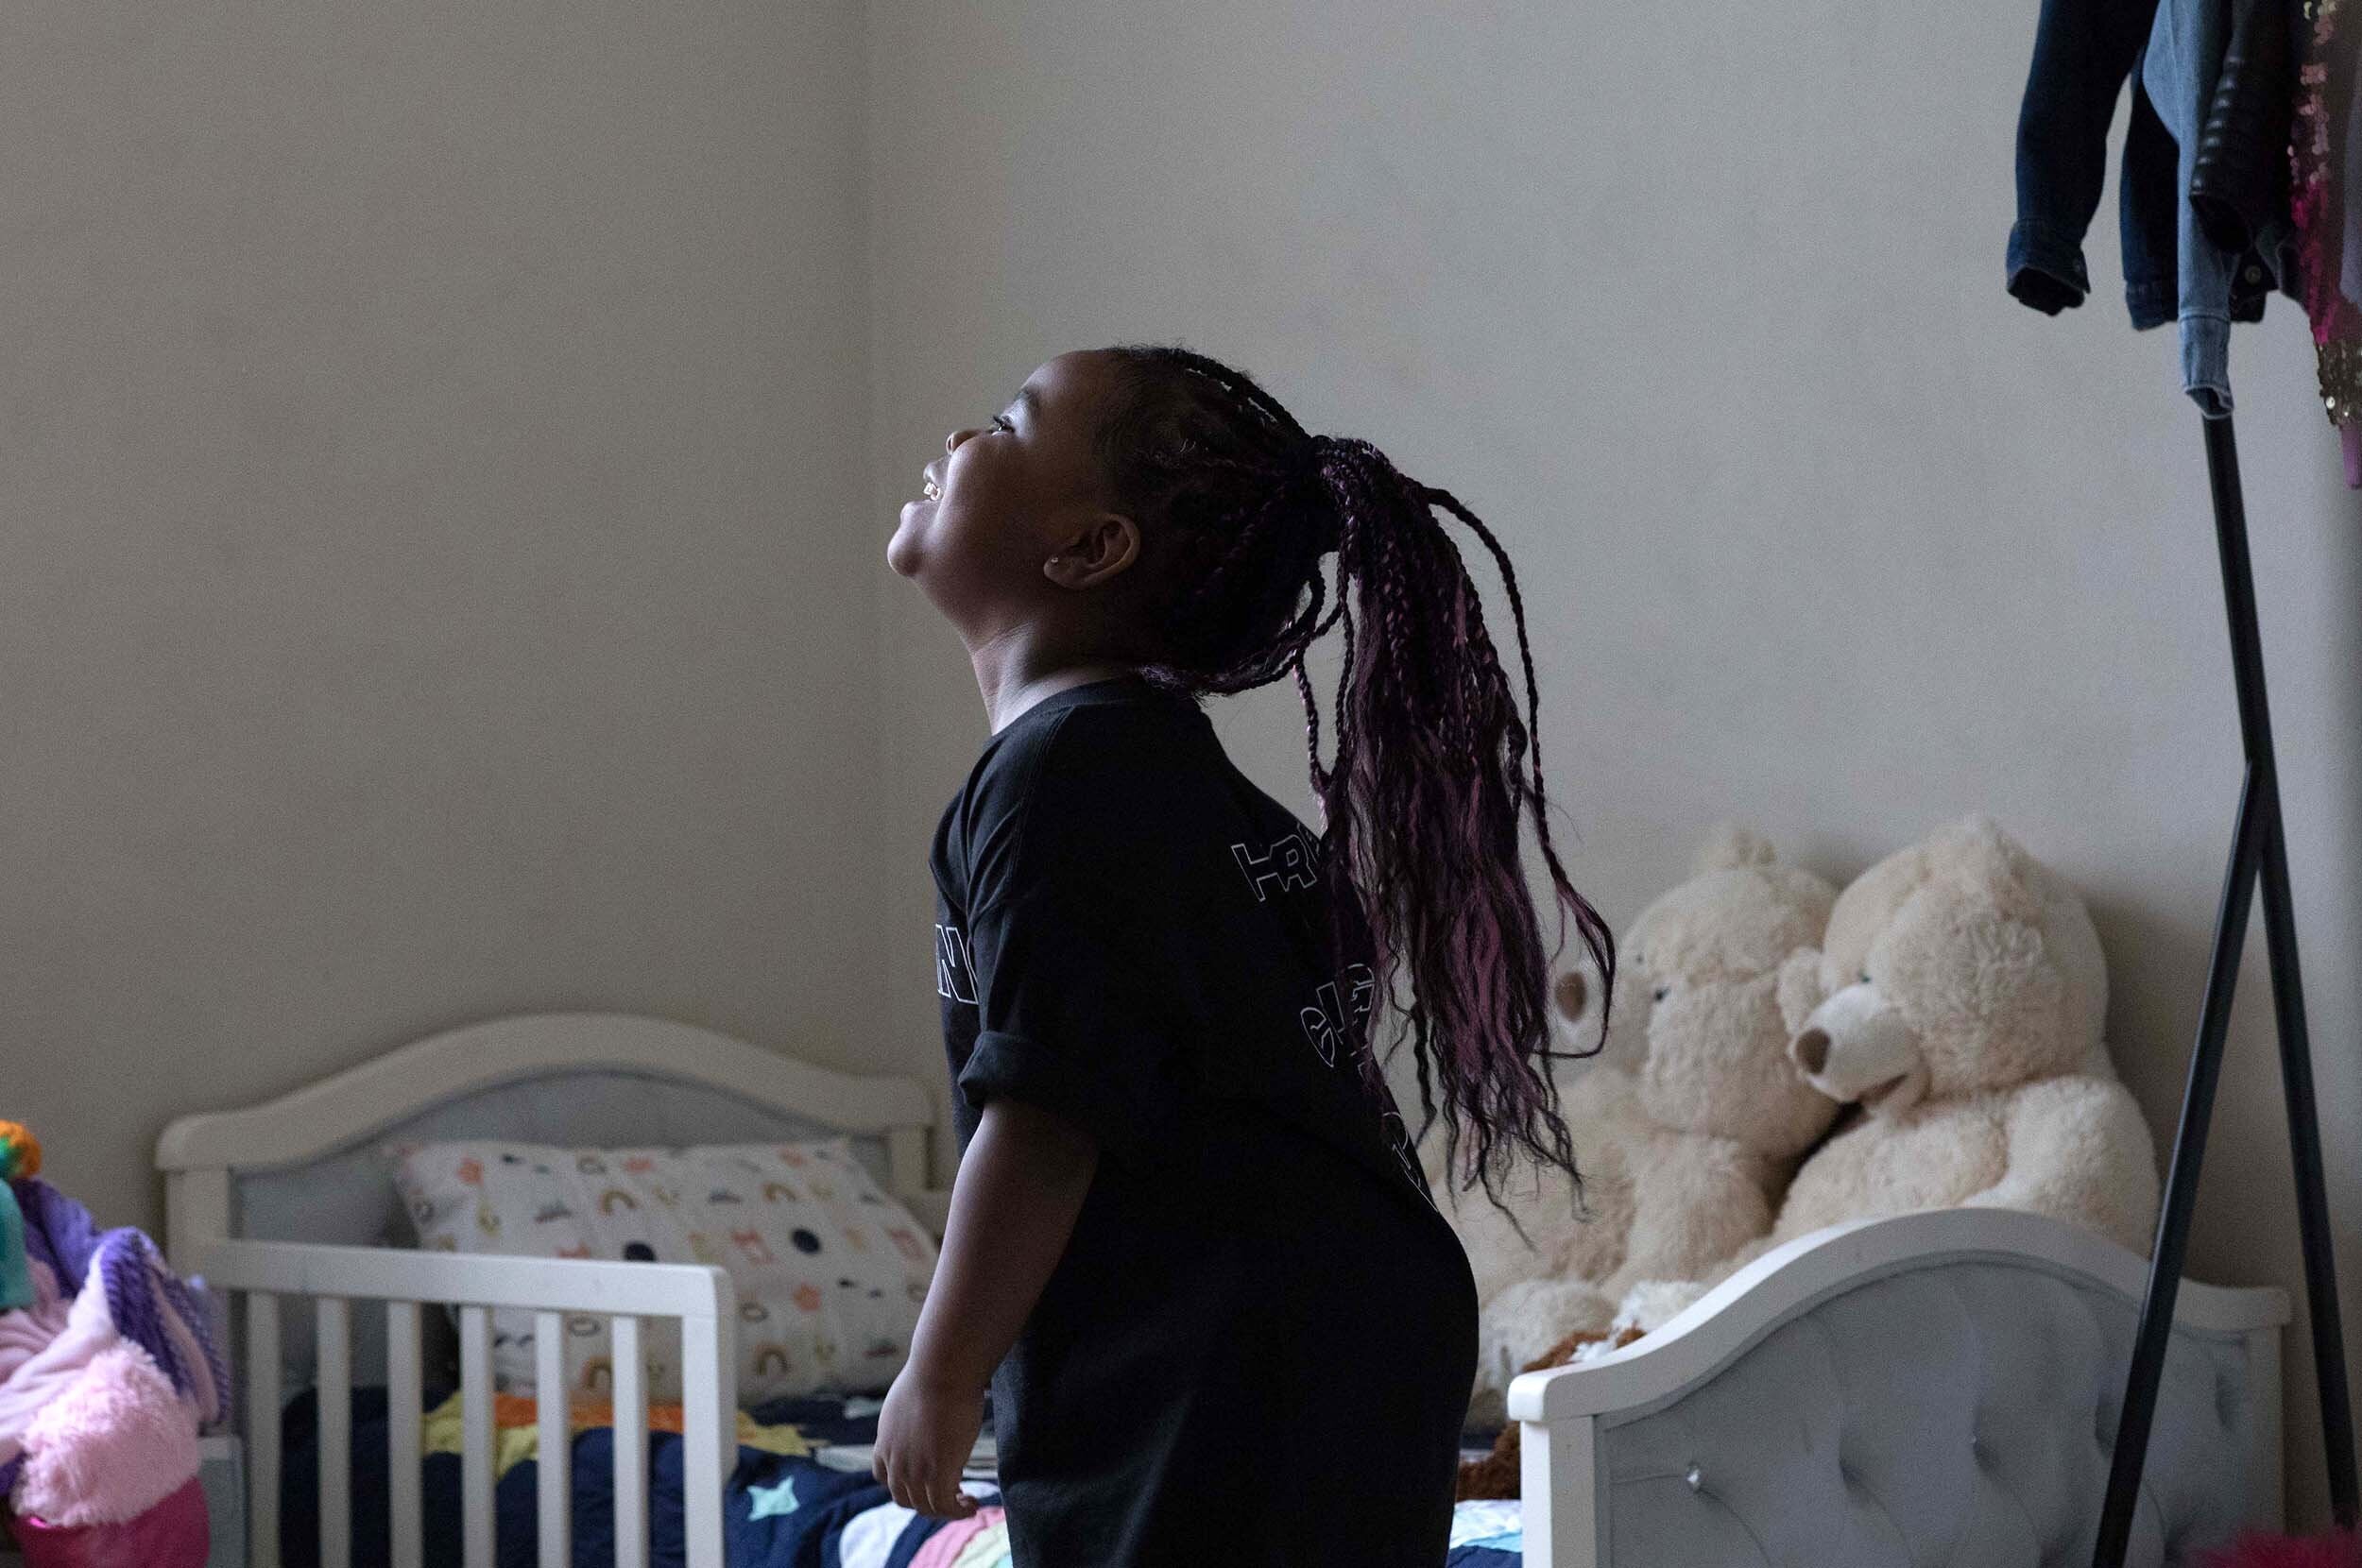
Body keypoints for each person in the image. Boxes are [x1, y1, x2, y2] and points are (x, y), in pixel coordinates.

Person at [875, 345, 1611, 1565]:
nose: (960, 435)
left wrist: (940, 1375)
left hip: (1217, 1370)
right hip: (1353, 1330)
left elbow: (1047, 1117)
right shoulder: (1185, 793)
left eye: (1007, 423)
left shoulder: (1057, 777)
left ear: (1088, 548)